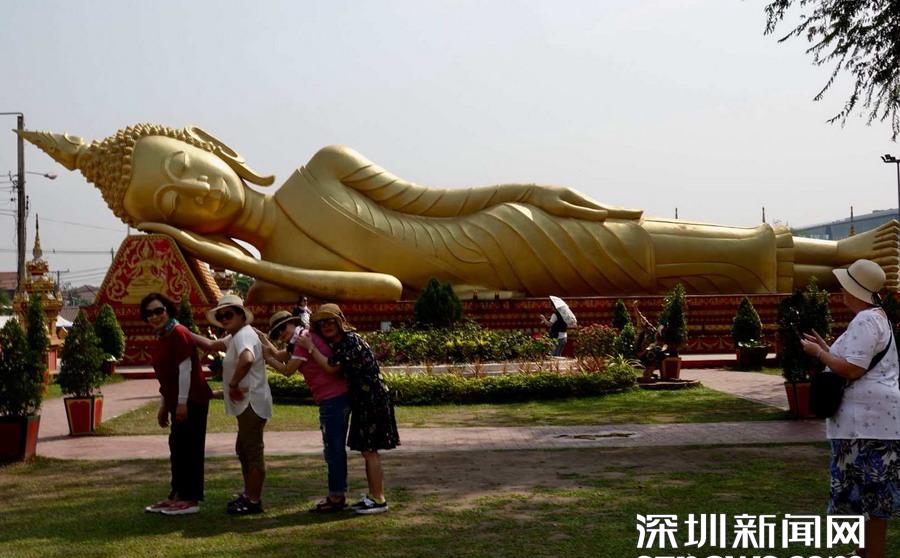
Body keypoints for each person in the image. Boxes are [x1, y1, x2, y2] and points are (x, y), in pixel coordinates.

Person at [21, 125, 900, 302]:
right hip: (487, 270)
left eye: (184, 169)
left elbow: (434, 201)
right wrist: (228, 259)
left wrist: (529, 189)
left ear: (209, 145)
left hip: (500, 229)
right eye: (171, 206)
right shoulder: (281, 270)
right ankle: (834, 267)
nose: (195, 194)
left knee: (635, 238)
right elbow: (381, 285)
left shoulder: (323, 167)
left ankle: (841, 253)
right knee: (641, 266)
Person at [800, 259, 900, 558]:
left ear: (855, 289)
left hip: (867, 422)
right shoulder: (876, 318)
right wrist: (826, 348)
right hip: (870, 421)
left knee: (871, 493)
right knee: (862, 493)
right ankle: (864, 556)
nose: (840, 291)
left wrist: (819, 354)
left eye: (844, 286)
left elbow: (853, 369)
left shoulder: (865, 320)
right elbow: (853, 360)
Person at [298, 304, 400, 514]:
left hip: (371, 399)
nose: (327, 326)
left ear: (339, 322)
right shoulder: (341, 343)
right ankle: (374, 496)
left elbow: (330, 367)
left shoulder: (349, 341)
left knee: (369, 451)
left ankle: (378, 498)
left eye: (330, 321)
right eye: (322, 323)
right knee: (368, 450)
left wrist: (310, 347)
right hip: (364, 400)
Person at [261, 310, 351, 513]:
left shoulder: (303, 340)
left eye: (283, 328)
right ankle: (337, 494)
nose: (281, 333)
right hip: (333, 397)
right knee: (334, 449)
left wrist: (267, 358)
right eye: (277, 332)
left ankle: (336, 496)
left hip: (332, 398)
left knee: (333, 450)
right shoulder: (300, 339)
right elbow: (279, 354)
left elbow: (287, 370)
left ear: (293, 324)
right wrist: (262, 340)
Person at [191, 294, 272, 515]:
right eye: (221, 316)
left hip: (251, 402)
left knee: (252, 451)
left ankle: (253, 500)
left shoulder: (243, 335)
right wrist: (180, 329)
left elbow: (247, 359)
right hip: (248, 402)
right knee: (243, 449)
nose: (225, 319)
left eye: (229, 314)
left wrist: (233, 384)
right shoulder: (236, 336)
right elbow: (210, 344)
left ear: (241, 315)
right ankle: (249, 494)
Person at [140, 292, 212, 516]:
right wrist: (164, 405)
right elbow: (167, 376)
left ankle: (190, 498)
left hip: (192, 400)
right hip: (176, 400)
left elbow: (185, 369)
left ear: (168, 310)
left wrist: (182, 403)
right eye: (149, 313)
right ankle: (177, 494)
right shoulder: (163, 335)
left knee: (190, 448)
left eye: (158, 311)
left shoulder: (178, 332)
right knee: (178, 448)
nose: (154, 316)